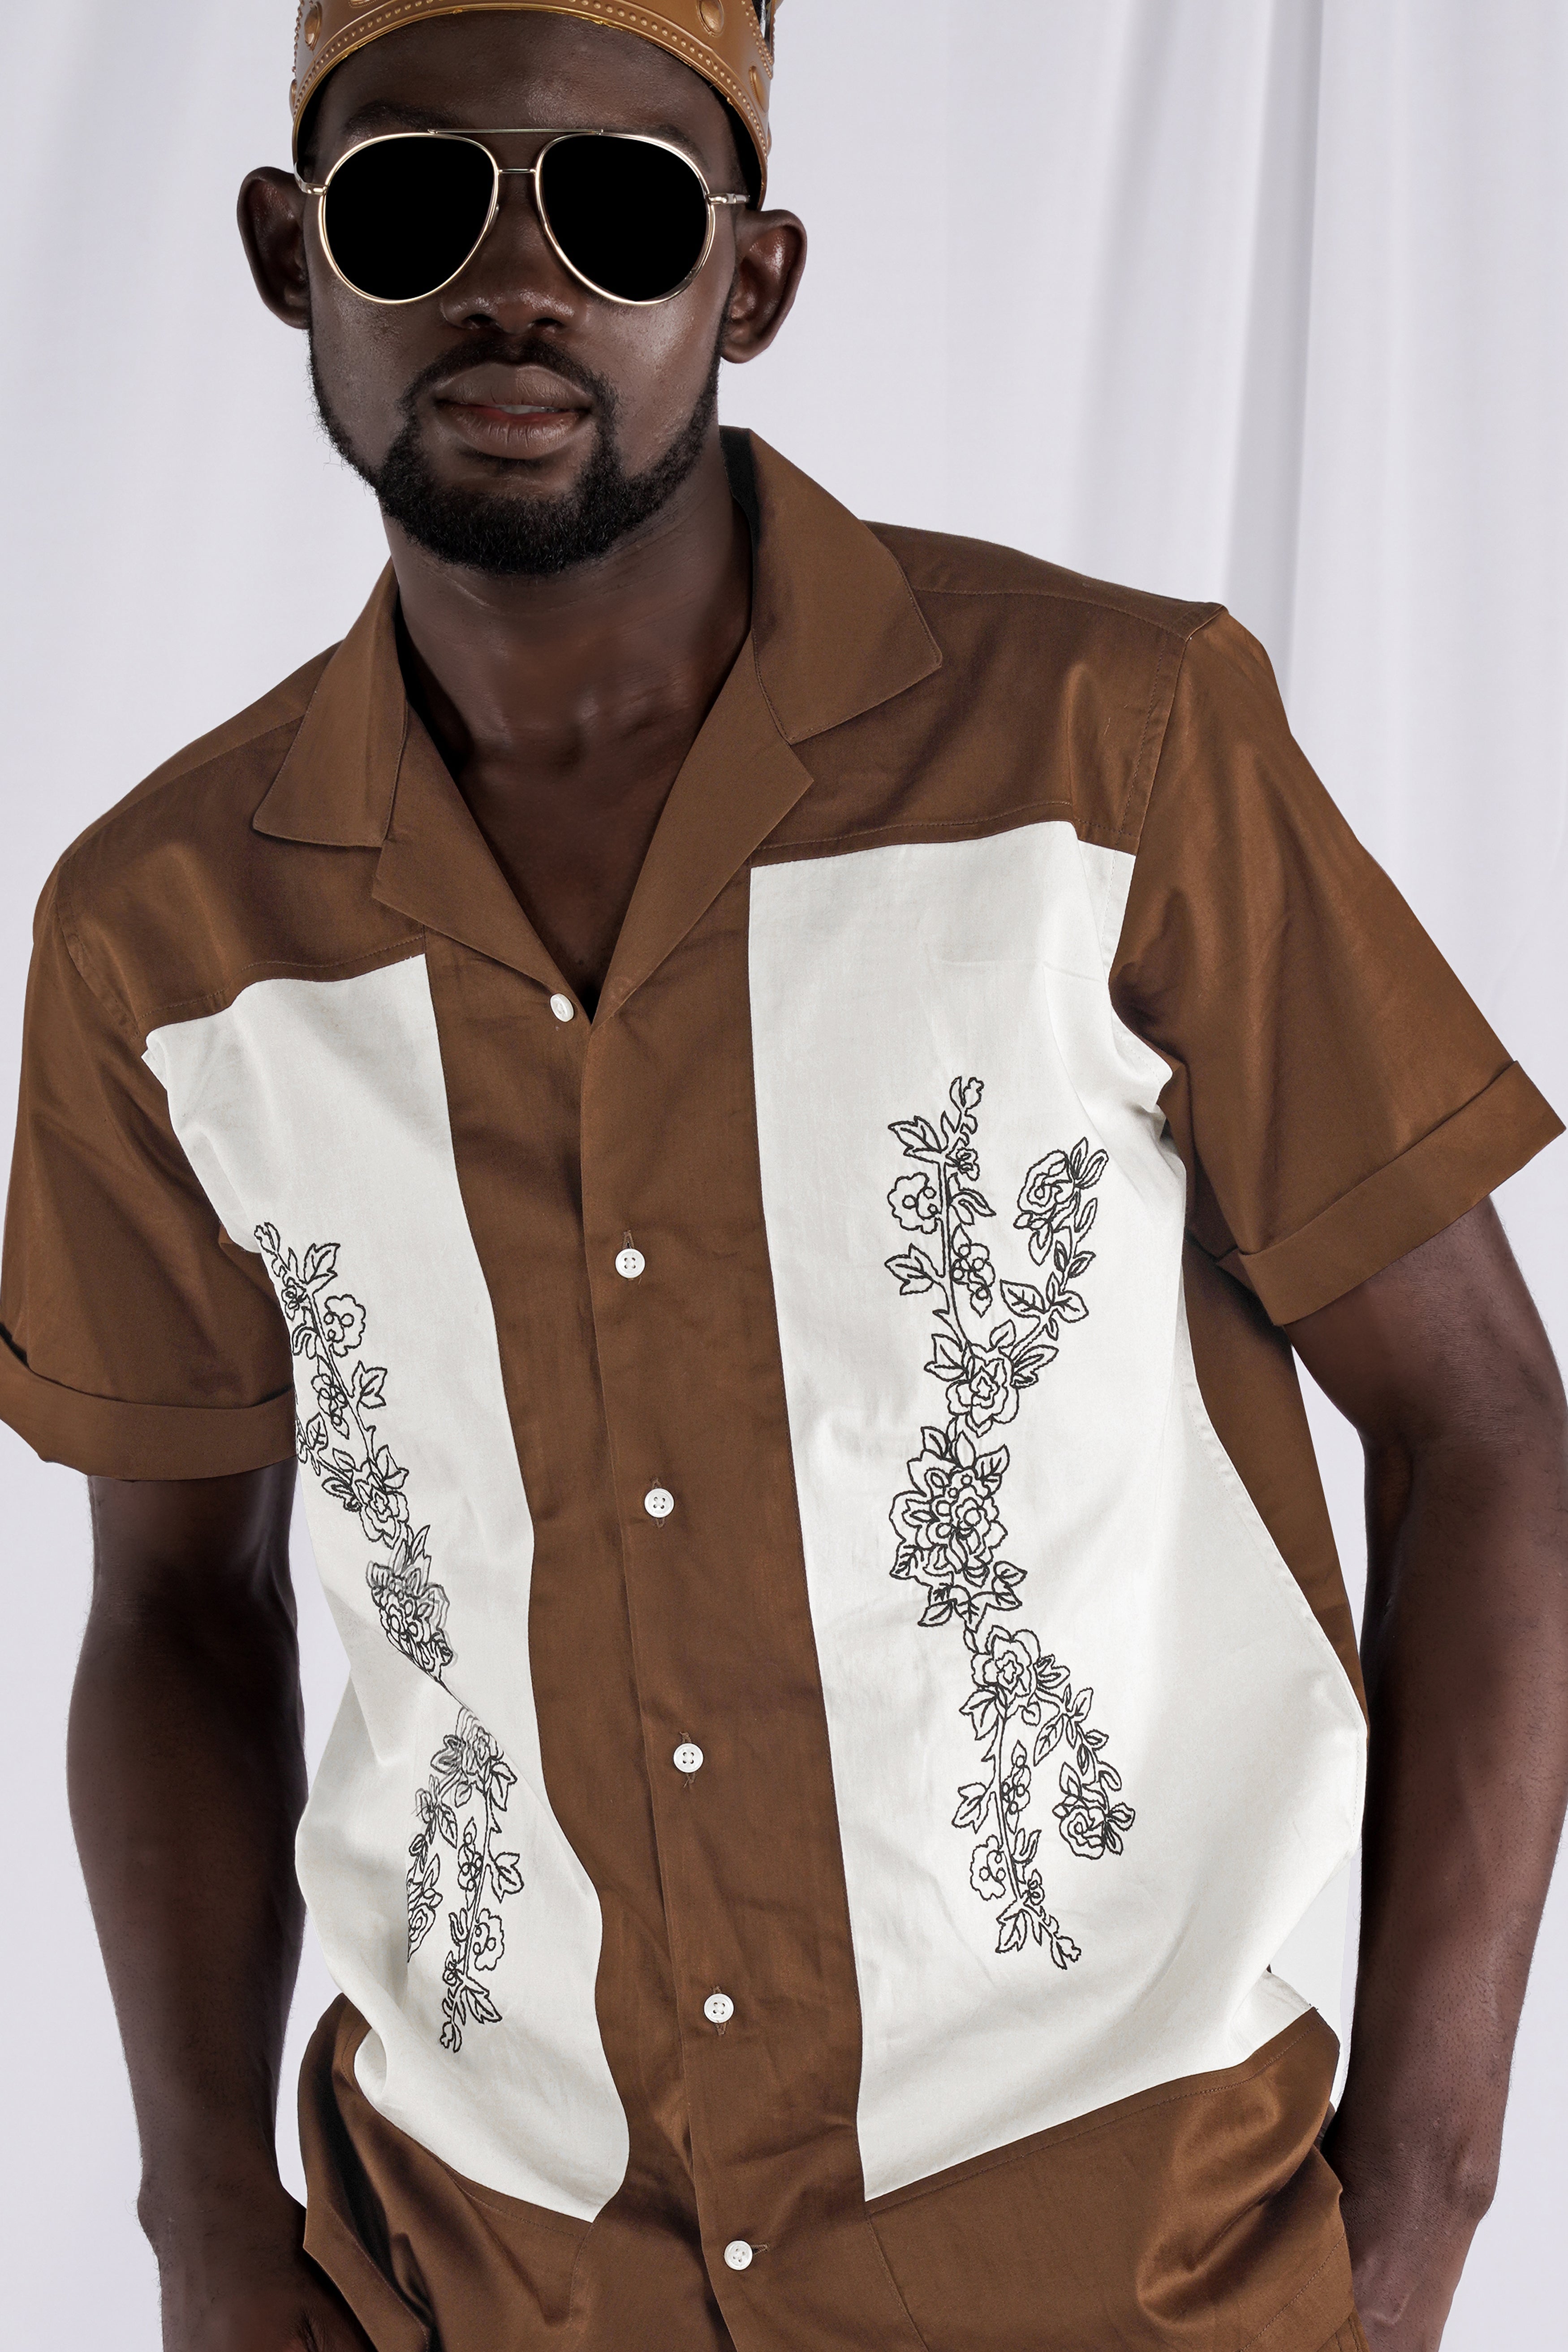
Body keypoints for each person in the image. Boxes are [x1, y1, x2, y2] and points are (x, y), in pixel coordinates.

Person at [2, 4, 1564, 2348]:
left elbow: (1488, 1431)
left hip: (1126, 2271)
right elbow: (172, 1609)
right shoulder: (163, 935)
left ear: (751, 281)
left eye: (621, 212)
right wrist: (212, 2238)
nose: (513, 285)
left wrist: (1421, 2211)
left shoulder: (1113, 748)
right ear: (287, 253)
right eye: (417, 202)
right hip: (487, 2275)